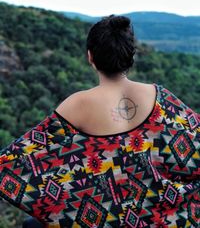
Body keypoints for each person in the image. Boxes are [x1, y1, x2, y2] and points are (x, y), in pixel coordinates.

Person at [0, 15, 199, 227]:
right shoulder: (161, 97)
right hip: (161, 218)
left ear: (90, 57)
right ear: (130, 56)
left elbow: (13, 163)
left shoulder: (78, 104)